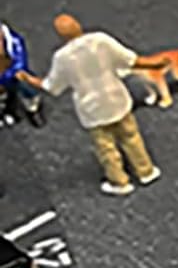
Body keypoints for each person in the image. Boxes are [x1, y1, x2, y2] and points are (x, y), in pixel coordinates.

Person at [17, 15, 168, 195]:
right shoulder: (101, 40)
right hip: (117, 99)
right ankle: (146, 171)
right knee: (131, 137)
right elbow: (131, 60)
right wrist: (156, 64)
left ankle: (119, 182)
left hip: (92, 110)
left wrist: (29, 79)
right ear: (78, 25)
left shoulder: (62, 58)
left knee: (106, 148)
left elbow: (51, 86)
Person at [1, 19, 44, 127]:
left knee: (26, 84)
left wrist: (5, 76)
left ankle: (33, 108)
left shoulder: (15, 42)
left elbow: (20, 63)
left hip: (12, 74)